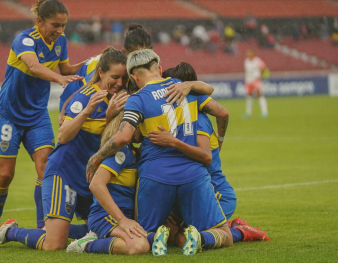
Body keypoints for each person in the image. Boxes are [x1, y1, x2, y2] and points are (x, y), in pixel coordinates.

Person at [86, 49, 233, 256]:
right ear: (160, 69)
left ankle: (155, 237)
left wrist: (95, 158)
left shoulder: (137, 99)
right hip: (193, 174)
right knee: (224, 234)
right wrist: (220, 139)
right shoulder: (183, 88)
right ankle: (200, 238)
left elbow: (124, 137)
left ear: (135, 78)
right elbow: (223, 112)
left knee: (143, 234)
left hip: (155, 176)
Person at [0, 48, 129, 250]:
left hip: (89, 178)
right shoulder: (86, 97)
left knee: (101, 229)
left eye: (124, 78)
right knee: (54, 244)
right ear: (101, 72)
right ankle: (10, 231)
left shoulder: (121, 97)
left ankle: (68, 232)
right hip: (65, 173)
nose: (120, 83)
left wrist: (109, 117)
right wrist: (87, 112)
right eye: (115, 77)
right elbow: (63, 135)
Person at [0, 0, 85, 234]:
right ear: (40, 21)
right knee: (5, 174)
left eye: (63, 25)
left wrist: (94, 62)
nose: (60, 30)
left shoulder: (60, 42)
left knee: (46, 167)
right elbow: (34, 66)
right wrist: (59, 78)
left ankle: (44, 227)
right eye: (55, 25)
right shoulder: (24, 40)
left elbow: (66, 69)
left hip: (37, 116)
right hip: (8, 114)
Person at [157, 63, 269, 244]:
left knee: (187, 237)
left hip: (216, 193)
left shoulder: (199, 120)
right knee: (170, 233)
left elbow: (206, 154)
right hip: (191, 192)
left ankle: (240, 231)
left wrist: (172, 141)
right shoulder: (178, 119)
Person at [66, 109, 150, 255]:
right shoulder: (121, 151)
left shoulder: (134, 152)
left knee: (146, 241)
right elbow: (96, 185)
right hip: (106, 216)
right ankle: (86, 245)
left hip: (123, 217)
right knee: (139, 246)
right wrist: (122, 219)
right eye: (139, 124)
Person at [243, 48, 268, 119]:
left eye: (249, 52)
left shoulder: (257, 60)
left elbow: (263, 68)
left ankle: (264, 112)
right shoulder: (246, 61)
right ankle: (248, 113)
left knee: (259, 94)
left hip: (256, 80)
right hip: (248, 80)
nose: (248, 54)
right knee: (249, 96)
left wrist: (260, 76)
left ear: (253, 53)